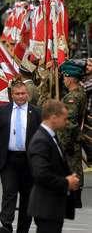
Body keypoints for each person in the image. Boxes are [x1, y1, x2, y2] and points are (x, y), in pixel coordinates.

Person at [0, 81, 42, 233]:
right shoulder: (1, 111)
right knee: (9, 193)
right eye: (17, 94)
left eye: (23, 93)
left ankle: (23, 229)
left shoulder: (36, 113)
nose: (21, 96)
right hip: (8, 160)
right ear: (12, 95)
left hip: (29, 162)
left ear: (27, 94)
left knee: (27, 198)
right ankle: (6, 226)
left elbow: (43, 139)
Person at [27, 99, 81, 233]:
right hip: (46, 206)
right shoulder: (41, 140)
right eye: (65, 118)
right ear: (53, 118)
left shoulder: (51, 136)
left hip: (53, 206)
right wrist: (66, 182)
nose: (67, 122)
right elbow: (41, 174)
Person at [57, 61, 87, 209]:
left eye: (64, 77)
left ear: (70, 78)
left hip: (70, 140)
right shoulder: (80, 92)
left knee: (71, 167)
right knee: (75, 167)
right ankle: (75, 199)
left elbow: (69, 122)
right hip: (75, 138)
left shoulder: (72, 97)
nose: (63, 80)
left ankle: (74, 200)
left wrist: (64, 143)